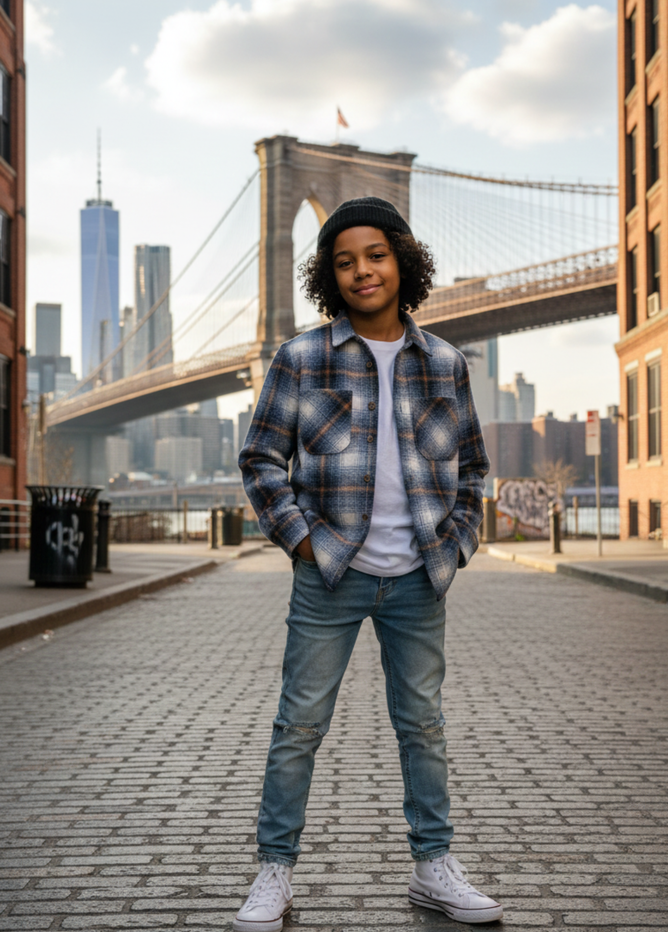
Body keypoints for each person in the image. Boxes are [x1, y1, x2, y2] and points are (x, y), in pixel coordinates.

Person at [235, 196, 502, 931]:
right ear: (329, 275)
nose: (362, 271)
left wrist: (456, 546)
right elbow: (261, 460)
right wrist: (301, 541)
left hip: (420, 577)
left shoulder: (446, 362)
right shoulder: (301, 357)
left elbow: (473, 470)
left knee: (423, 725)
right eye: (344, 260)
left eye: (376, 255)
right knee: (299, 726)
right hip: (331, 575)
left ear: (403, 261)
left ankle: (433, 869)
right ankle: (274, 873)